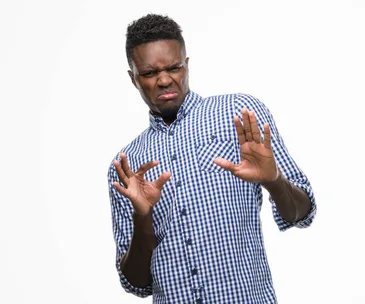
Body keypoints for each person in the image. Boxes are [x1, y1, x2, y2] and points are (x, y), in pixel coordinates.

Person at [107, 14, 317, 303]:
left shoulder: (240, 115)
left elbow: (301, 214)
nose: (165, 79)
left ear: (187, 65)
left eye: (174, 67)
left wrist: (274, 180)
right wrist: (143, 217)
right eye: (149, 73)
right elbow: (137, 284)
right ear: (133, 78)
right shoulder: (127, 164)